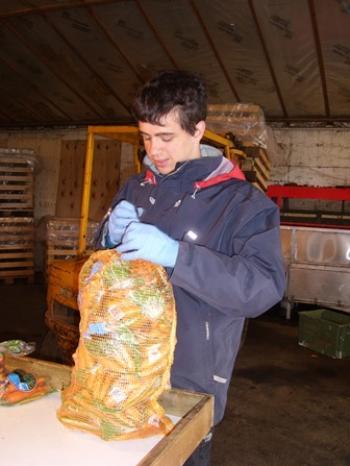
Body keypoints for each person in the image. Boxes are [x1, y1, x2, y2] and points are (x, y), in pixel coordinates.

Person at [95, 70, 285, 465]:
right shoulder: (136, 187)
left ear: (198, 130)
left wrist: (178, 256)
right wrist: (106, 238)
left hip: (189, 380)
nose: (154, 150)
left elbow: (263, 287)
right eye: (146, 137)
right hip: (120, 370)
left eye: (166, 137)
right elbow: (100, 270)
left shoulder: (242, 204)